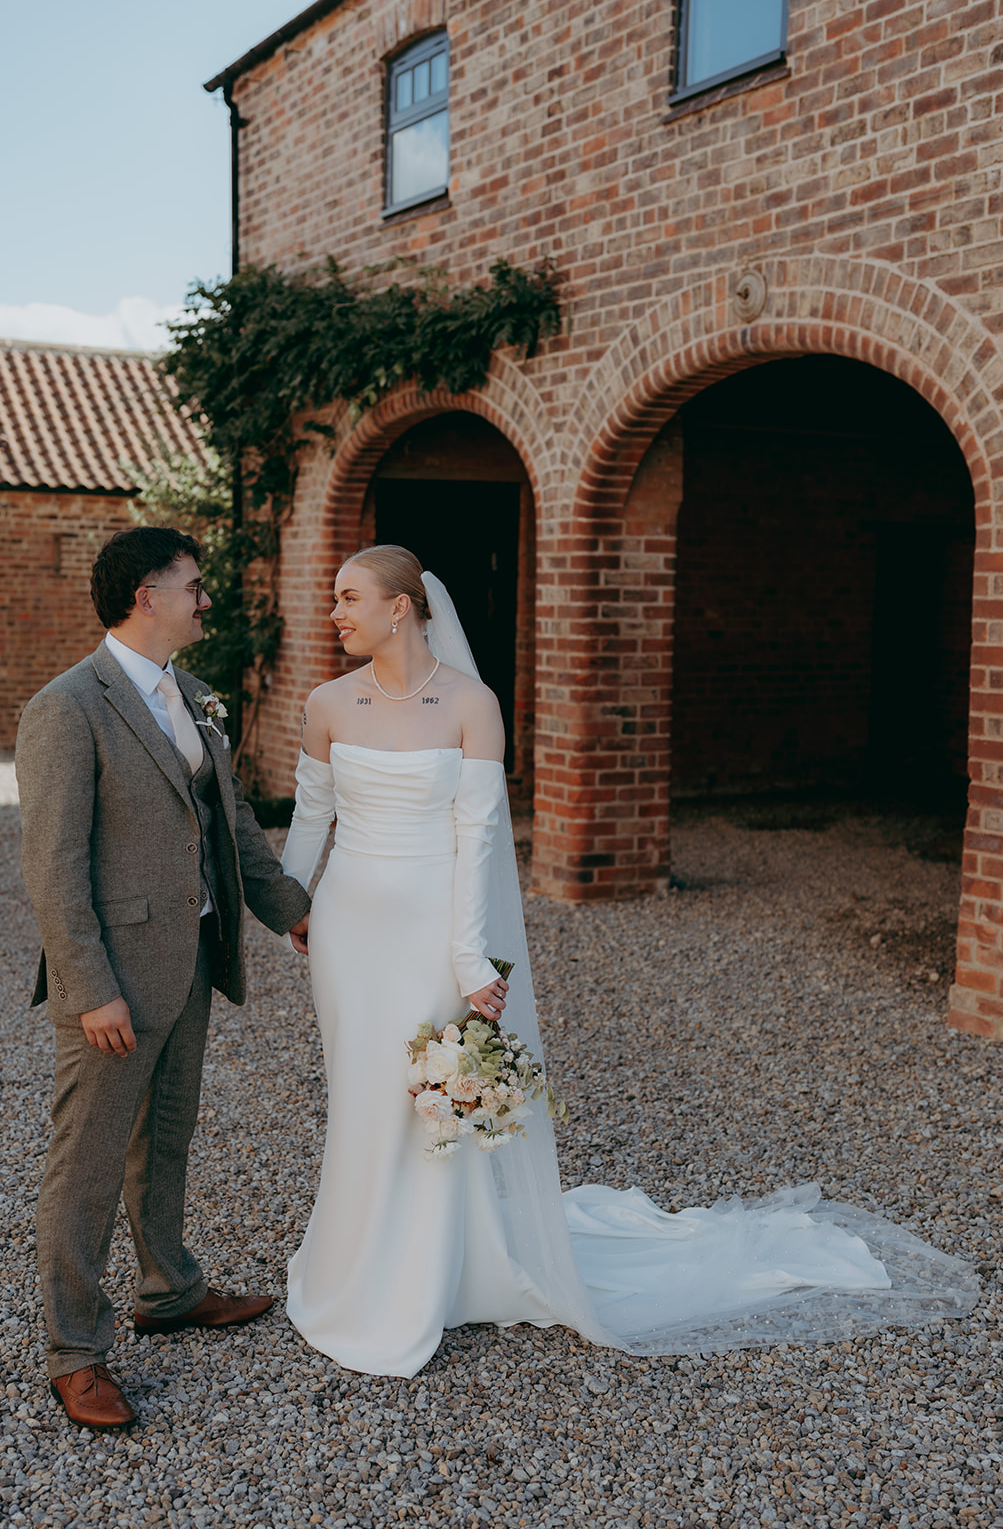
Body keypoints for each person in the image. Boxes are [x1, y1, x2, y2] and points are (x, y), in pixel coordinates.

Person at [280, 545, 979, 1378]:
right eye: (335, 601)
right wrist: (292, 899)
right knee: (360, 1096)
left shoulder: (470, 704)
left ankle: (433, 1273)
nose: (336, 614)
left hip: (431, 934)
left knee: (424, 1102)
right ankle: (351, 1265)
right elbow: (310, 814)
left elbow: (478, 842)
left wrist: (472, 959)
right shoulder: (327, 701)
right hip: (350, 934)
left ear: (400, 608)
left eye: (349, 598)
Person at [16, 528, 312, 1429]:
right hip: (115, 979)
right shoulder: (68, 707)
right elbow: (54, 866)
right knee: (90, 1161)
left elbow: (233, 828)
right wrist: (88, 987)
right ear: (147, 594)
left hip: (191, 959)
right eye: (194, 586)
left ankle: (170, 1292)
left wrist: (296, 911)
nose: (205, 600)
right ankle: (74, 1350)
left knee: (168, 1137)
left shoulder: (191, 695)